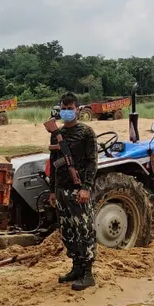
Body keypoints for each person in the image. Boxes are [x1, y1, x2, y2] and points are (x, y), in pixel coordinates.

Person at [47, 92, 98, 291]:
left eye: (70, 108)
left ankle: (88, 272)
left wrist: (86, 188)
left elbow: (92, 162)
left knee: (84, 230)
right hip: (61, 190)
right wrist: (52, 191)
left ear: (78, 109)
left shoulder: (86, 132)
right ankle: (76, 267)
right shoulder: (55, 133)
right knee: (68, 231)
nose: (67, 112)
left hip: (78, 191)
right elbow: (53, 164)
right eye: (64, 108)